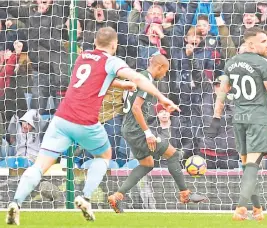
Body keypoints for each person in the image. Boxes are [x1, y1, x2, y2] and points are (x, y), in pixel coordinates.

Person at [5, 27, 179, 225]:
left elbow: (92, 79)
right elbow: (138, 78)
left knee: (40, 166)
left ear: (95, 43)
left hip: (61, 119)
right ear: (114, 45)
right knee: (105, 155)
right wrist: (163, 98)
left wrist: (121, 85)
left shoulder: (84, 56)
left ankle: (16, 203)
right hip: (85, 122)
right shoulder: (111, 60)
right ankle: (86, 198)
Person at [204, 27, 267, 221]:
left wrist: (216, 118)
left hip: (239, 119)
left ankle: (258, 209)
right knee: (252, 165)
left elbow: (222, 93)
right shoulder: (262, 63)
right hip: (257, 119)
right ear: (251, 44)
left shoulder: (231, 63)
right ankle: (241, 208)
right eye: (264, 41)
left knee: (247, 166)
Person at [107, 54, 206, 213]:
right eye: (165, 71)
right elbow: (136, 107)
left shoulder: (139, 76)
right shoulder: (146, 79)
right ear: (159, 67)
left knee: (147, 164)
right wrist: (148, 133)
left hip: (128, 128)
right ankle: (185, 194)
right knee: (173, 155)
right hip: (137, 129)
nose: (165, 75)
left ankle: (117, 196)